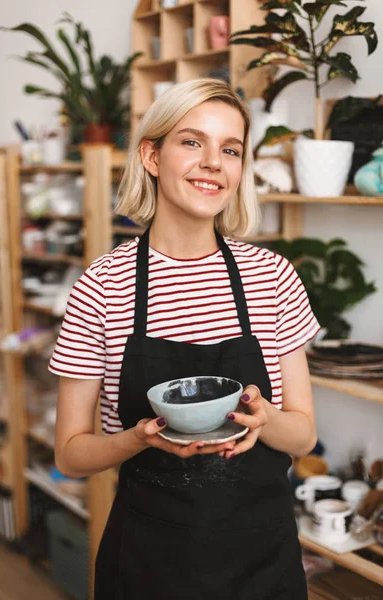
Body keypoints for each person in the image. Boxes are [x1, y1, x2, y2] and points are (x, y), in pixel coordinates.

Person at [49, 78, 320, 599]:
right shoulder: (103, 286)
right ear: (151, 155)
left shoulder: (273, 276)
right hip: (149, 562)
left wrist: (266, 421)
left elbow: (304, 437)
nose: (213, 162)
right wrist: (137, 438)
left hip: (263, 561)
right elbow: (69, 454)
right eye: (192, 141)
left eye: (231, 149)